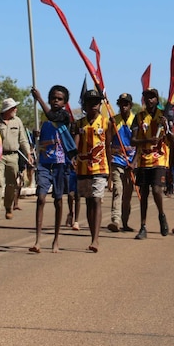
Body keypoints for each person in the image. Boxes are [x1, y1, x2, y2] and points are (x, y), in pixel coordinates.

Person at [30, 85, 73, 253]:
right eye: (53, 98)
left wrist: (38, 98)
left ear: (65, 102)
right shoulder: (45, 120)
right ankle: (38, 240)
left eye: (60, 99)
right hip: (44, 163)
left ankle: (56, 239)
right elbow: (44, 139)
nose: (56, 101)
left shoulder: (64, 116)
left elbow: (53, 116)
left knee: (58, 200)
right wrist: (37, 136)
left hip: (60, 163)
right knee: (41, 198)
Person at [74, 89, 112, 252]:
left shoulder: (106, 123)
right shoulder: (79, 124)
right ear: (85, 105)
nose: (93, 105)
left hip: (100, 167)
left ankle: (95, 239)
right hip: (83, 168)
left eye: (96, 102)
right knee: (89, 201)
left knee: (96, 200)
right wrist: (73, 159)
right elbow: (75, 145)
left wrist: (110, 171)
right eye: (90, 102)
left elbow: (108, 147)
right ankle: (92, 234)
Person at [130, 88, 170, 239]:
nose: (149, 100)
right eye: (146, 97)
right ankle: (143, 226)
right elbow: (132, 141)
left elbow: (171, 139)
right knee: (144, 194)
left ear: (157, 100)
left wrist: (166, 126)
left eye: (152, 97)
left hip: (159, 159)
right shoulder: (139, 117)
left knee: (157, 190)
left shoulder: (163, 116)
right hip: (143, 160)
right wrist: (147, 140)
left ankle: (161, 215)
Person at [0, 97, 32, 220]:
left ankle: (9, 207)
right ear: (7, 109)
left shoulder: (18, 121)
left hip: (13, 156)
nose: (16, 109)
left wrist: (28, 154)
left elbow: (23, 139)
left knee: (11, 184)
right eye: (13, 107)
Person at [109, 93, 136, 232]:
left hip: (131, 164)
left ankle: (125, 222)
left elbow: (139, 144)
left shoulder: (135, 120)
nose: (123, 106)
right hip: (117, 160)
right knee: (118, 190)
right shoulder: (113, 121)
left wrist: (134, 163)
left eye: (126, 104)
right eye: (121, 104)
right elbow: (108, 142)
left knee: (127, 194)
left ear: (130, 105)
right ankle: (115, 220)